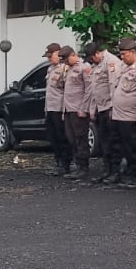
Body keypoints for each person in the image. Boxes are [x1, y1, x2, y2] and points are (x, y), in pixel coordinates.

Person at [107, 38, 136, 189]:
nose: (122, 57)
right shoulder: (123, 65)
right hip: (120, 114)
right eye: (121, 54)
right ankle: (131, 173)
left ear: (133, 52)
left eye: (124, 54)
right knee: (124, 146)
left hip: (132, 115)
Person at [84, 42, 121, 185]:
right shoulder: (97, 64)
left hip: (109, 108)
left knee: (113, 141)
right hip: (100, 108)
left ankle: (115, 171)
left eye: (92, 58)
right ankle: (107, 170)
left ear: (98, 53)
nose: (91, 61)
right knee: (104, 142)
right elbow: (95, 89)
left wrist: (113, 108)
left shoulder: (111, 62)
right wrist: (92, 109)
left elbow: (113, 86)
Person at [61, 46, 92, 179]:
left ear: (73, 55)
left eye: (66, 59)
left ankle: (83, 167)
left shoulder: (84, 67)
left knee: (80, 138)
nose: (65, 62)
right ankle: (77, 164)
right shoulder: (68, 69)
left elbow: (88, 89)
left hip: (79, 110)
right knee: (71, 138)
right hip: (69, 109)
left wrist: (83, 108)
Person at [43, 43, 71, 176]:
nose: (49, 58)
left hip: (60, 108)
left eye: (51, 55)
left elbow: (67, 90)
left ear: (58, 53)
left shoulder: (65, 68)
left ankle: (65, 164)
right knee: (53, 137)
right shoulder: (50, 69)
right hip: (50, 108)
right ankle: (58, 162)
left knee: (62, 137)